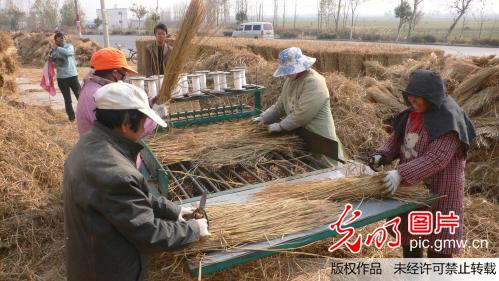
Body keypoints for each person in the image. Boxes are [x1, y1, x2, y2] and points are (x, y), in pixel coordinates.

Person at [64, 81, 210, 281]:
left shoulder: (91, 142)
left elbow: (128, 199)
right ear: (125, 123)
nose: (143, 129)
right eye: (142, 122)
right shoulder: (116, 172)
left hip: (92, 256)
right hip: (109, 271)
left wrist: (173, 210)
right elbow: (148, 233)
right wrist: (193, 229)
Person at [370, 69, 476, 258]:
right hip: (413, 189)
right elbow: (397, 139)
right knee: (411, 240)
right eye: (411, 98)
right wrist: (382, 155)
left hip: (441, 190)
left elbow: (436, 158)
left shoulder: (450, 120)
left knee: (439, 247)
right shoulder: (414, 113)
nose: (413, 102)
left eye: (418, 99)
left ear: (431, 97)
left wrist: (400, 173)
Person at [253, 47, 345, 164]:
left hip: (321, 141)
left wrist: (280, 126)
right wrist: (264, 118)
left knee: (326, 171)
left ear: (301, 65)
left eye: (290, 70)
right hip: (303, 138)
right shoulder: (290, 81)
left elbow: (302, 114)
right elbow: (280, 106)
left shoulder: (314, 82)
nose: (287, 74)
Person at [76, 48, 139, 136]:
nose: (123, 79)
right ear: (115, 73)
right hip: (100, 146)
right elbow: (124, 131)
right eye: (123, 75)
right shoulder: (99, 95)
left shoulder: (92, 85)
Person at [49, 32, 80, 121]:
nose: (61, 39)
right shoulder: (53, 50)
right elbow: (52, 59)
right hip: (61, 78)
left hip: (72, 75)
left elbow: (68, 53)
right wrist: (52, 56)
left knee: (80, 96)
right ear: (55, 40)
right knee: (67, 99)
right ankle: (71, 117)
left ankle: (84, 113)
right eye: (59, 38)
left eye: (62, 37)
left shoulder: (69, 46)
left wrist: (57, 48)